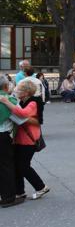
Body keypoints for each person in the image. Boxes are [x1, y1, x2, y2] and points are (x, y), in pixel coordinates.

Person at [0, 80, 51, 202]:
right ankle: (19, 192)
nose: (16, 90)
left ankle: (41, 187)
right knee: (17, 165)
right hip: (20, 139)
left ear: (26, 92)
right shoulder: (21, 101)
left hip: (29, 139)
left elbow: (22, 114)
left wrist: (6, 102)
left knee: (23, 166)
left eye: (19, 89)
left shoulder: (33, 102)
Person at [0, 76, 22, 207]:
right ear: (6, 87)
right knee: (6, 166)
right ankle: (8, 197)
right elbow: (20, 118)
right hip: (3, 135)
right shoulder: (9, 99)